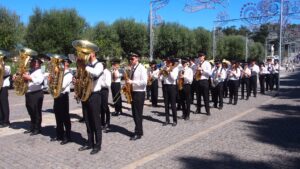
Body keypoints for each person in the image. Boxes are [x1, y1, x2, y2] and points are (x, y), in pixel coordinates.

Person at [77, 48, 103, 155]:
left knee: (96, 121)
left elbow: (96, 74)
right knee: (87, 121)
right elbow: (82, 78)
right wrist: (77, 81)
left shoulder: (99, 65)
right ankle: (89, 142)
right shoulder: (86, 66)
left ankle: (98, 145)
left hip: (95, 96)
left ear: (93, 54)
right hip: (85, 95)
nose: (85, 55)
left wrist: (84, 66)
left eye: (87, 53)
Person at [50, 56, 73, 144]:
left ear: (68, 64)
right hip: (57, 96)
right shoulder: (59, 73)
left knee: (65, 117)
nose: (62, 64)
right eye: (62, 62)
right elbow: (53, 84)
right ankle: (59, 134)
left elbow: (62, 85)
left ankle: (68, 136)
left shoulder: (69, 74)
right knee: (57, 116)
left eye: (64, 62)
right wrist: (51, 79)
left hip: (63, 96)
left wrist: (55, 79)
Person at [126, 53, 147, 140]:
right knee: (134, 113)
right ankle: (139, 130)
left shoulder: (141, 68)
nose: (131, 60)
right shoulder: (132, 68)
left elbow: (144, 82)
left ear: (137, 59)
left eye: (132, 58)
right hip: (133, 92)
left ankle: (138, 132)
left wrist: (132, 82)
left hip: (139, 93)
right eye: (130, 59)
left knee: (138, 113)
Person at [21, 57, 44, 135]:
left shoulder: (41, 71)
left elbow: (39, 81)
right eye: (34, 62)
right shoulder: (30, 71)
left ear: (40, 64)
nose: (35, 64)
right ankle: (32, 127)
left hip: (36, 93)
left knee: (36, 111)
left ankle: (37, 128)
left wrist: (29, 78)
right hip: (29, 93)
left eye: (37, 62)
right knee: (30, 111)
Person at [162, 58, 179, 126]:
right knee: (166, 104)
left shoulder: (175, 69)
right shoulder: (164, 67)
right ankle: (167, 120)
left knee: (173, 104)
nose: (167, 63)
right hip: (165, 86)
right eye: (166, 62)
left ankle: (175, 120)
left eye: (168, 62)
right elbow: (163, 78)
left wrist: (169, 71)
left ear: (171, 63)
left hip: (172, 87)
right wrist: (161, 75)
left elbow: (174, 78)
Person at [99, 59, 111, 133]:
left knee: (105, 106)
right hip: (99, 90)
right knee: (100, 107)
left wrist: (99, 82)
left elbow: (107, 84)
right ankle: (102, 122)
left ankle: (107, 122)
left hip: (104, 90)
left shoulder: (107, 72)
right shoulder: (99, 72)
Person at [0, 50, 11, 128]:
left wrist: (2, 64)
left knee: (4, 104)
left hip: (3, 86)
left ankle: (6, 121)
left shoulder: (7, 67)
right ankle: (1, 119)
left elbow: (5, 72)